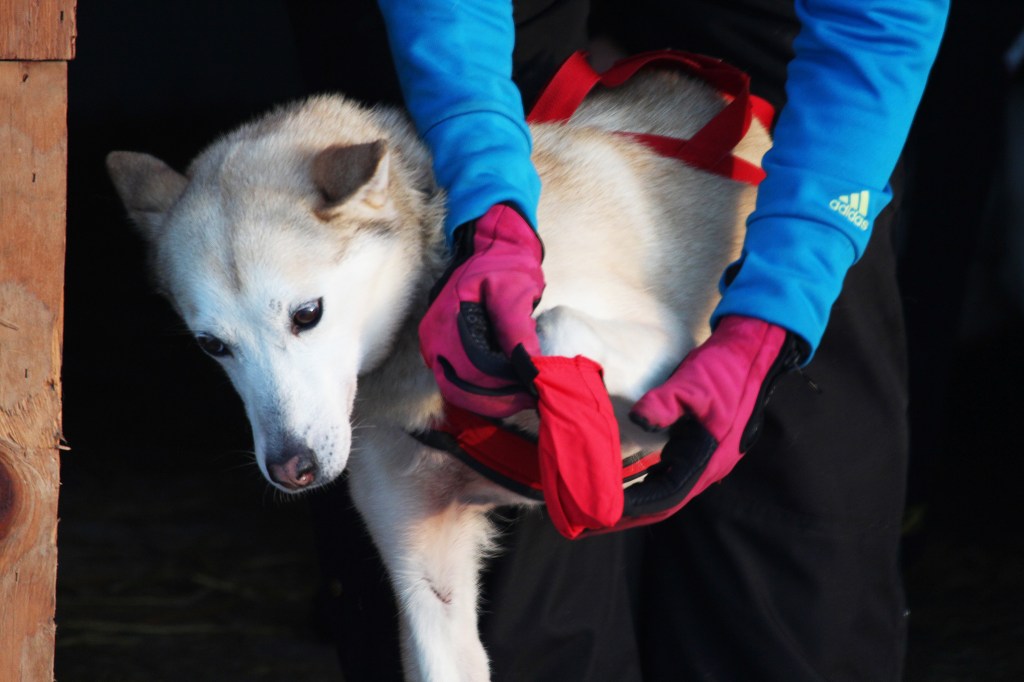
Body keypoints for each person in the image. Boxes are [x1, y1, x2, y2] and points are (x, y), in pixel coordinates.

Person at [321, 0, 949, 679]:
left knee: (804, 544)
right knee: (498, 534)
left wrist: (775, 323)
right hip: (499, 28)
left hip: (790, 28)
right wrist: (487, 215)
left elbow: (875, 30)